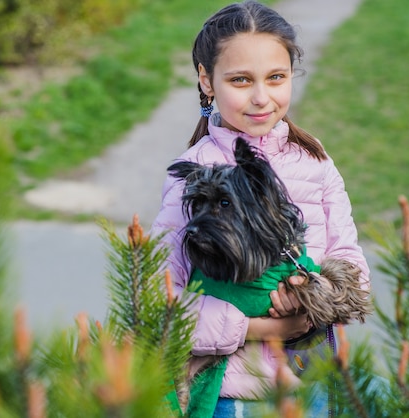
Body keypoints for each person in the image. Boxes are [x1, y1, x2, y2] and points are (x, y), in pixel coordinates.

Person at [150, 1, 371, 416]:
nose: (260, 97)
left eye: (275, 78)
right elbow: (159, 300)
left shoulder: (314, 161)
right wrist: (255, 327)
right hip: (231, 396)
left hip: (314, 386)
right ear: (207, 80)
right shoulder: (193, 172)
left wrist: (309, 294)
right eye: (240, 80)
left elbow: (349, 263)